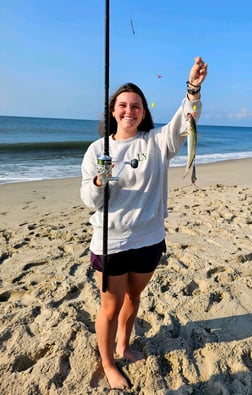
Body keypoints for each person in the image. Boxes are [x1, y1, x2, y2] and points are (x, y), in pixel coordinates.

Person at [80, 56, 208, 390]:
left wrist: (193, 88)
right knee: (110, 307)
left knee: (134, 299)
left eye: (136, 106)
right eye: (122, 105)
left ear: (143, 111)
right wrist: (99, 182)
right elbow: (88, 201)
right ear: (113, 111)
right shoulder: (97, 150)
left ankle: (123, 345)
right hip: (111, 243)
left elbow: (186, 120)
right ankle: (108, 363)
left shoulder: (156, 143)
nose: (129, 111)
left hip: (149, 239)